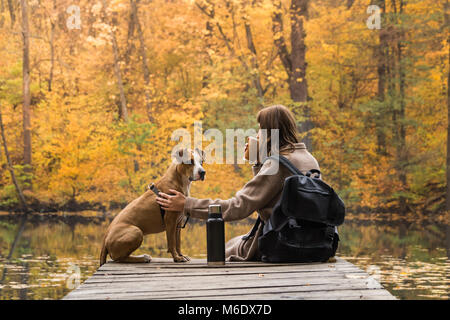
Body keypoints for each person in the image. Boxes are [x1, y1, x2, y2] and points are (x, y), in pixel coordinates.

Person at [156, 104, 321, 261]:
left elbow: (237, 207)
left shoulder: (276, 165)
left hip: (282, 243)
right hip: (313, 240)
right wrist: (258, 162)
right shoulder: (308, 158)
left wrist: (186, 204)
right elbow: (268, 196)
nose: (257, 135)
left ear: (268, 133)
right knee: (236, 241)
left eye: (259, 129)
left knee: (227, 247)